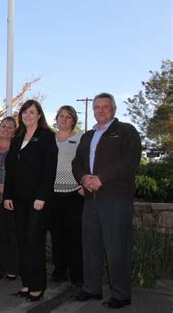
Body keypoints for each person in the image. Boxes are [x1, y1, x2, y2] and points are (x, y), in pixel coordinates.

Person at [72, 93, 141, 309]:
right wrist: (83, 178)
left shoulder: (126, 131)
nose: (100, 110)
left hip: (116, 199)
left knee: (117, 247)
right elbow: (77, 162)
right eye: (97, 107)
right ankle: (92, 288)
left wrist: (102, 179)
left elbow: (130, 161)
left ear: (113, 108)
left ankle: (121, 294)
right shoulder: (87, 136)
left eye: (105, 107)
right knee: (90, 246)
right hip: (91, 199)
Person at [3, 100, 58, 302]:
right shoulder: (17, 138)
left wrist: (42, 196)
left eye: (32, 112)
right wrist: (7, 195)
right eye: (25, 112)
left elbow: (49, 169)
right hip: (18, 199)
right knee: (22, 242)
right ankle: (26, 284)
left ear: (39, 115)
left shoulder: (46, 137)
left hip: (37, 200)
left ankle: (37, 286)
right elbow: (10, 169)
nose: (28, 115)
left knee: (34, 242)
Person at [48, 106, 84, 286]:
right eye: (61, 115)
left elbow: (87, 162)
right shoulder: (49, 138)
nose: (64, 119)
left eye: (68, 117)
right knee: (56, 235)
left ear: (73, 120)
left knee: (74, 235)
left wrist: (84, 185)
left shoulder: (80, 138)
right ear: (56, 118)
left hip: (74, 194)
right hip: (53, 194)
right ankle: (60, 270)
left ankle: (76, 273)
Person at [0, 116, 19, 281]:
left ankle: (13, 267)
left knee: (12, 232)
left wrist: (7, 188)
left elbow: (22, 172)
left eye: (10, 127)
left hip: (12, 196)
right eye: (3, 126)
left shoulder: (18, 148)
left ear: (15, 131)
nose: (6, 129)